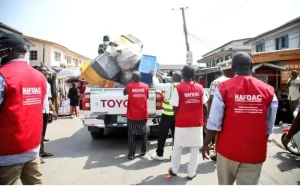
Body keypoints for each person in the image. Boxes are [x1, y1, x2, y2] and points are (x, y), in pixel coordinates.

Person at [202, 52, 278, 185]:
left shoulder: (223, 88)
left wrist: (206, 142)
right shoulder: (269, 90)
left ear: (232, 68)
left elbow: (214, 121)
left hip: (227, 150)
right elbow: (269, 125)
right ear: (252, 66)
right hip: (255, 152)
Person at [0, 33, 46, 184]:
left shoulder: (3, 76)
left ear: (8, 51)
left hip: (7, 153)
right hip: (32, 148)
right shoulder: (40, 77)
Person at [167, 65, 208, 179]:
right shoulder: (200, 88)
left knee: (177, 147)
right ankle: (191, 173)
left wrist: (178, 116)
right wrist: (204, 120)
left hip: (181, 123)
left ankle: (174, 170)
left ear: (183, 75)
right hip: (197, 123)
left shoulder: (178, 88)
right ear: (193, 75)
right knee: (194, 148)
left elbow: (174, 107)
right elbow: (204, 106)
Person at [151, 71, 182, 161]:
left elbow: (155, 85)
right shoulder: (182, 87)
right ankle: (175, 155)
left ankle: (159, 154)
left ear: (173, 79)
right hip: (178, 116)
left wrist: (154, 76)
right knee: (176, 136)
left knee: (162, 134)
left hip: (167, 115)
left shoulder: (169, 86)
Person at [123, 71, 149, 160]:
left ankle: (131, 154)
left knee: (131, 134)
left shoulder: (129, 86)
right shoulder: (146, 86)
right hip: (143, 113)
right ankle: (143, 151)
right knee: (144, 133)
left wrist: (130, 82)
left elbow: (124, 93)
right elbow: (147, 96)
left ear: (132, 78)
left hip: (132, 115)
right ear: (140, 77)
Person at [205, 69, 229, 161]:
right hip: (229, 111)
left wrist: (209, 114)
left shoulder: (215, 82)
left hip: (217, 110)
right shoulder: (229, 80)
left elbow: (211, 99)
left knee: (217, 133)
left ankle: (217, 154)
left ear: (216, 76)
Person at [38, 65, 57, 160]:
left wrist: (53, 111)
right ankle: (38, 153)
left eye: (45, 71)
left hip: (45, 111)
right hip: (37, 112)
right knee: (38, 132)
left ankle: (41, 151)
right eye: (42, 70)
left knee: (42, 132)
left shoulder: (47, 84)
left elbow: (48, 99)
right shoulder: (34, 82)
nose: (44, 73)